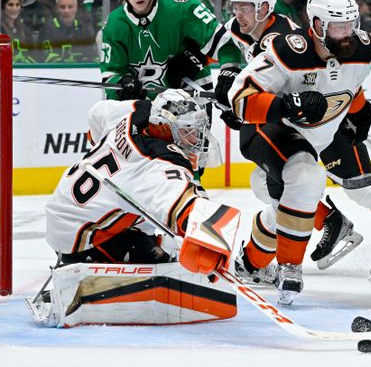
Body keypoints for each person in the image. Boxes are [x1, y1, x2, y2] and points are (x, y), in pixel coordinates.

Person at [226, 0, 371, 304]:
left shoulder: (360, 48)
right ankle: (289, 267)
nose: (349, 34)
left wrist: (361, 112)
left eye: (351, 25)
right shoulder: (289, 51)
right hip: (275, 127)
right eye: (339, 27)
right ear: (316, 25)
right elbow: (240, 99)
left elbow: (348, 84)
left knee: (358, 188)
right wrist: (288, 104)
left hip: (326, 127)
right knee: (300, 179)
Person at [36, 90, 240, 326]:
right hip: (81, 238)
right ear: (164, 127)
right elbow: (184, 208)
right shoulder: (157, 163)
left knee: (148, 219)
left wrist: (101, 143)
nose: (194, 139)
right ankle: (82, 265)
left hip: (68, 210)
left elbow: (97, 114)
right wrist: (211, 243)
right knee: (162, 264)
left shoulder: (137, 112)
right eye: (187, 131)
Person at [100, 0, 230, 102]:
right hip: (142, 104)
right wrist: (122, 85)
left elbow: (224, 42)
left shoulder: (182, 7)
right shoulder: (114, 23)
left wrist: (198, 59)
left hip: (190, 98)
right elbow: (111, 75)